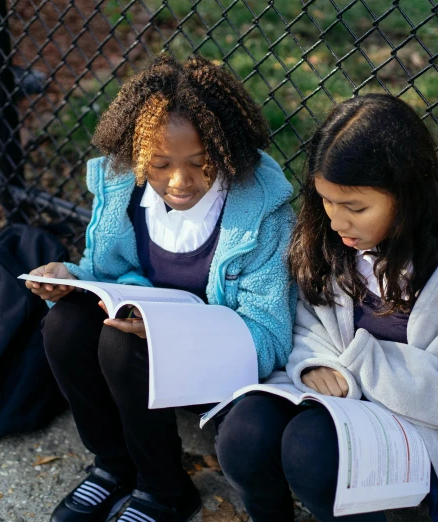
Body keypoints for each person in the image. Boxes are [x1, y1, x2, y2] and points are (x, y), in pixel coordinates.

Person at [215, 94, 438, 522]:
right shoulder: (333, 242)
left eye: (355, 207)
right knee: (244, 432)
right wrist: (313, 363)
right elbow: (309, 325)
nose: (336, 221)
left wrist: (368, 366)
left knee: (311, 448)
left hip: (429, 433)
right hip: (341, 407)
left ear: (407, 195)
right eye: (327, 202)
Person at [25, 54, 296, 522]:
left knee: (120, 344)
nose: (179, 181)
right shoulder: (122, 188)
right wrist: (70, 278)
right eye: (160, 164)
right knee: (65, 323)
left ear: (226, 148)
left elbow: (270, 338)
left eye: (199, 163)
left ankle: (163, 489)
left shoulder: (263, 211)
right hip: (145, 348)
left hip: (219, 369)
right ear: (136, 154)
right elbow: (104, 275)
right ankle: (113, 467)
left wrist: (175, 335)